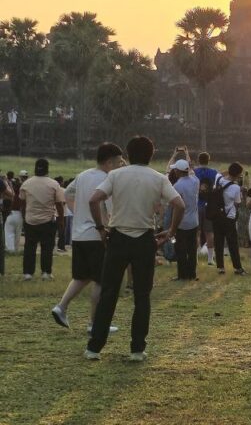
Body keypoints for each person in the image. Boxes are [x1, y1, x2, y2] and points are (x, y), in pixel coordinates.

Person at [84, 135, 184, 362]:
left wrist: (101, 228)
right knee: (142, 295)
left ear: (128, 155)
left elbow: (94, 200)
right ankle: (137, 349)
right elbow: (179, 204)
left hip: (118, 237)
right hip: (144, 240)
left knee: (109, 293)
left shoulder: (116, 175)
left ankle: (94, 348)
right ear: (152, 154)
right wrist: (171, 231)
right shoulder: (158, 178)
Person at [51, 142, 124, 330]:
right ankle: (95, 323)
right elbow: (110, 209)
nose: (120, 166)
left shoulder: (83, 175)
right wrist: (109, 227)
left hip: (79, 235)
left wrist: (78, 213)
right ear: (109, 162)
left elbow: (67, 193)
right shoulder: (109, 179)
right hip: (97, 235)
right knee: (101, 280)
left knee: (82, 277)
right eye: (118, 162)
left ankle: (61, 307)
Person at [19, 158, 64, 281]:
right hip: (47, 221)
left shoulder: (26, 183)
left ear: (35, 168)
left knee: (29, 247)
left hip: (30, 220)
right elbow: (59, 204)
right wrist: (61, 220)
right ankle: (46, 272)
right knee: (47, 248)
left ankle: (28, 273)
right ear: (47, 169)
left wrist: (24, 215)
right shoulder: (53, 184)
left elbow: (22, 202)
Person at [212, 162, 246, 275]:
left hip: (216, 216)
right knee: (232, 244)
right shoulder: (235, 187)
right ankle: (237, 268)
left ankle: (220, 267)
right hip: (229, 217)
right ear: (237, 175)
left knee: (218, 242)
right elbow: (237, 202)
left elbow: (220, 173)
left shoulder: (218, 179)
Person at [170, 159, 199, 281]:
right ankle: (192, 274)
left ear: (177, 171)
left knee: (180, 249)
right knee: (192, 249)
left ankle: (182, 274)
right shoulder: (195, 181)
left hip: (182, 222)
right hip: (194, 220)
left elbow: (177, 205)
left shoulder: (177, 185)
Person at [193, 151, 218, 267]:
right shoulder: (214, 172)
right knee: (209, 233)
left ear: (198, 160)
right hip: (209, 206)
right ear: (209, 160)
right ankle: (210, 259)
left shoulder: (194, 172)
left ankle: (196, 257)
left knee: (196, 232)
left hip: (196, 204)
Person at [4, 174, 23, 255]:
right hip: (19, 214)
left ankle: (10, 249)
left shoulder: (10, 194)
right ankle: (15, 249)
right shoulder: (21, 196)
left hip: (10, 214)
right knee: (17, 234)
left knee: (9, 233)